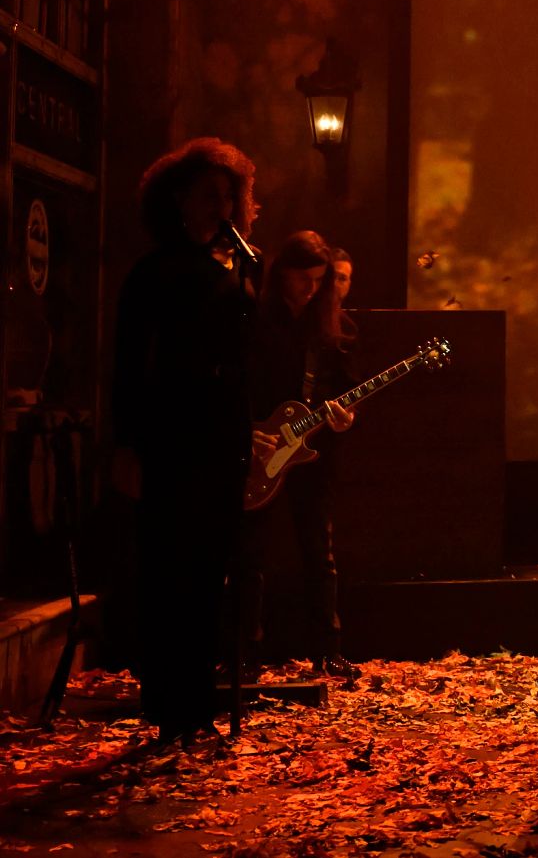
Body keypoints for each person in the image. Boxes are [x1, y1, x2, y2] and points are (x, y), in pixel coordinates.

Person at [111, 139, 263, 745]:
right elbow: (128, 363)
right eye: (209, 197)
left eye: (229, 197)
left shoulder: (229, 270)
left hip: (221, 432)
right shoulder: (154, 272)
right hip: (171, 432)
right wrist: (126, 443)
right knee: (168, 568)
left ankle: (195, 704)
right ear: (179, 200)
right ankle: (170, 703)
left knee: (209, 570)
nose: (220, 208)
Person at [242, 230, 358, 678]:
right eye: (301, 279)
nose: (310, 289)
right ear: (281, 275)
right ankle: (246, 652)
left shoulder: (337, 327)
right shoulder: (253, 319)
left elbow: (346, 392)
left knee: (319, 551)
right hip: (259, 446)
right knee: (250, 554)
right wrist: (249, 430)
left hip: (313, 456)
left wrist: (345, 417)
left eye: (318, 280)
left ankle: (328, 650)